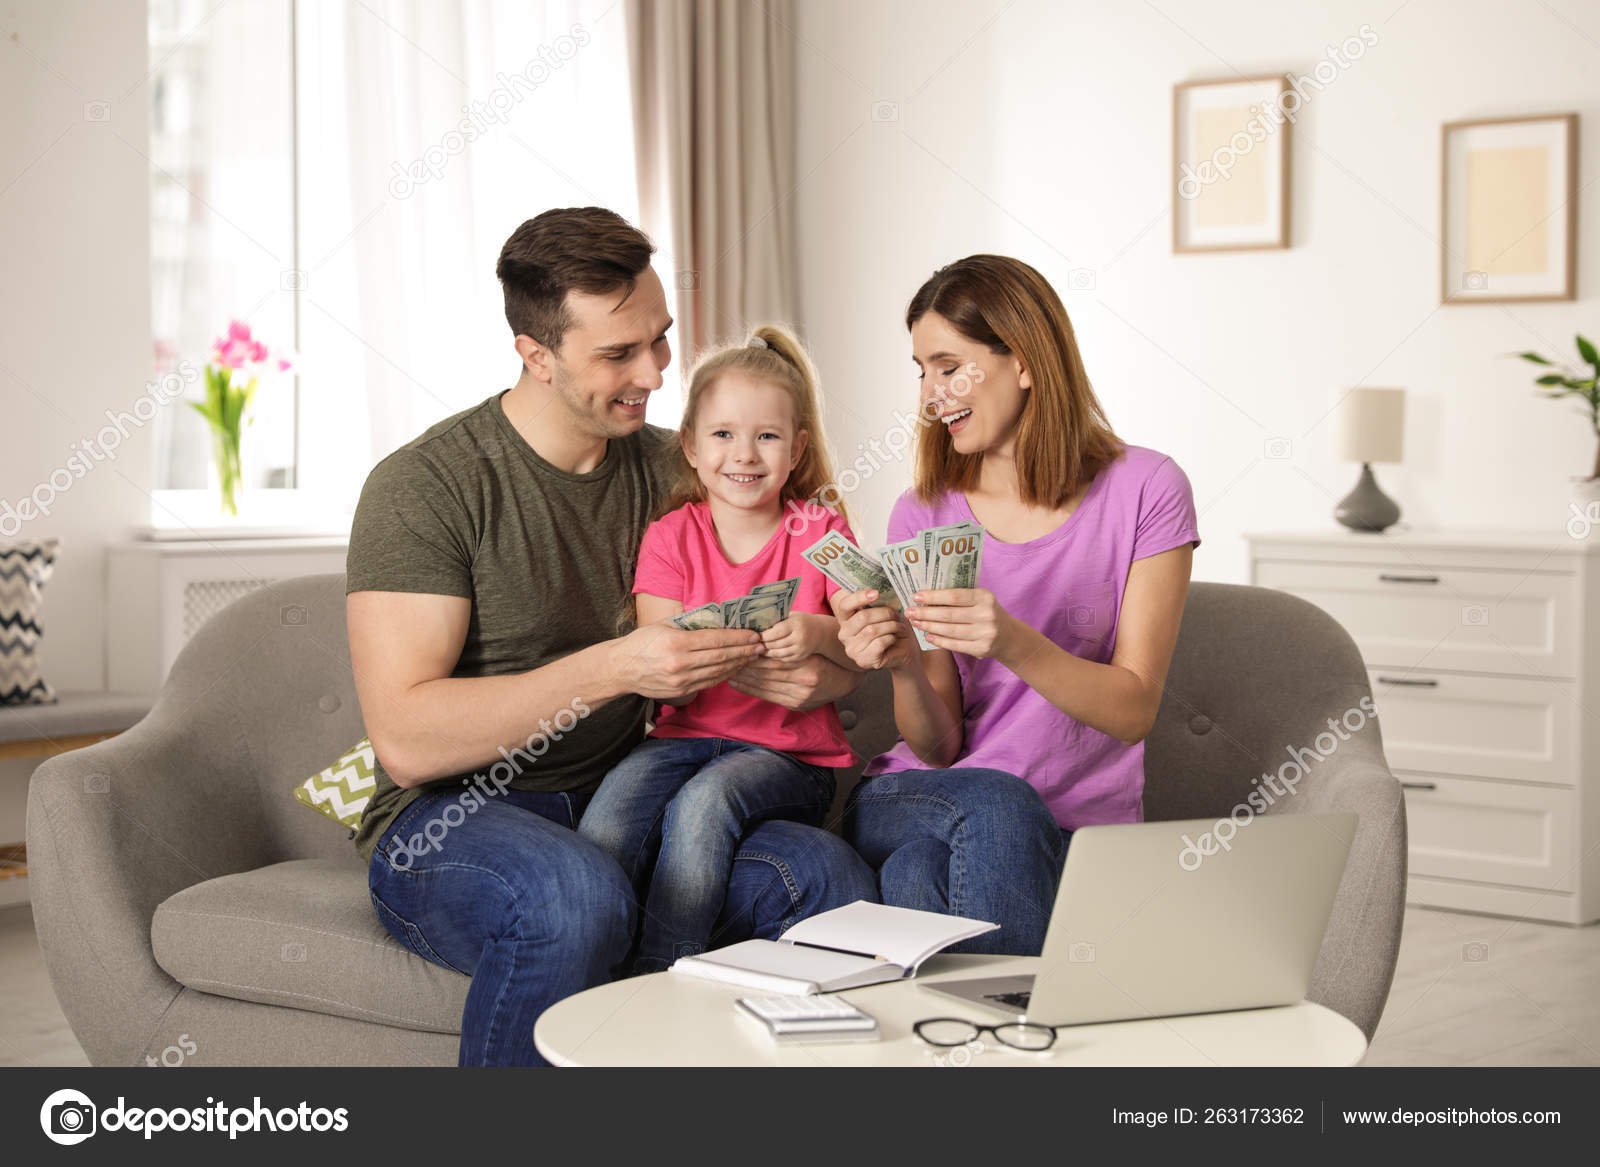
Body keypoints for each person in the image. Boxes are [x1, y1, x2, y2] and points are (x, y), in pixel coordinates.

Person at [346, 207, 875, 1066]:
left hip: (638, 795)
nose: (656, 373)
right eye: (619, 354)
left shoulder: (687, 466)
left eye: (660, 340)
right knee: (575, 894)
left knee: (828, 877)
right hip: (460, 817)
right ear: (536, 353)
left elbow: (821, 561)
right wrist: (618, 666)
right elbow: (406, 740)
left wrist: (824, 666)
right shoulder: (426, 486)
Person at [832, 254, 1199, 955]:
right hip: (924, 796)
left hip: (1073, 826)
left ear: (1024, 361)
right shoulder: (925, 512)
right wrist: (906, 663)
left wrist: (1010, 640)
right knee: (994, 801)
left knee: (917, 876)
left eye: (948, 366)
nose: (930, 396)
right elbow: (939, 748)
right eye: (921, 371)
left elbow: (1133, 708)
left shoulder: (1148, 489)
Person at [579, 325, 861, 973]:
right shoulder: (670, 537)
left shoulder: (822, 527)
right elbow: (660, 669)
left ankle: (660, 976)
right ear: (691, 446)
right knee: (611, 816)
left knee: (707, 803)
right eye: (724, 434)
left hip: (789, 755)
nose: (746, 454)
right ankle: (594, 968)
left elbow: (872, 635)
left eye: (767, 436)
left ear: (797, 448)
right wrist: (699, 660)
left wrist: (819, 633)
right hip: (680, 739)